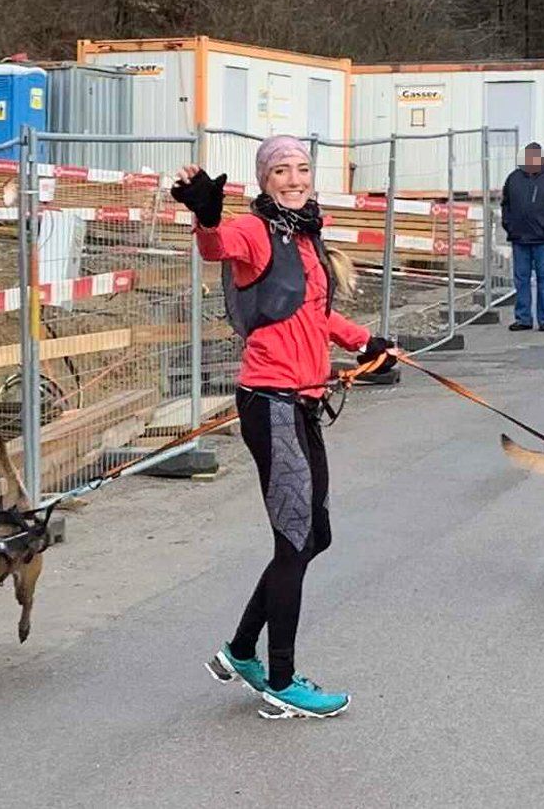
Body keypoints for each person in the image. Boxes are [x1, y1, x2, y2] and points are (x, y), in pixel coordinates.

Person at [172, 135, 394, 719]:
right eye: (281, 171)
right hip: (270, 401)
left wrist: (365, 341)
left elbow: (313, 312)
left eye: (301, 169)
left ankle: (241, 650)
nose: (294, 179)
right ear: (264, 180)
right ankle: (281, 680)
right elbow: (217, 246)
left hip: (304, 402)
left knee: (315, 535)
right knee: (294, 539)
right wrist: (205, 216)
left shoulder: (306, 234)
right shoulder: (254, 230)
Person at [501, 141, 544, 332]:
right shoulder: (514, 178)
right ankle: (523, 318)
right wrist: (509, 225)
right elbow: (505, 204)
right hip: (519, 238)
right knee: (521, 280)